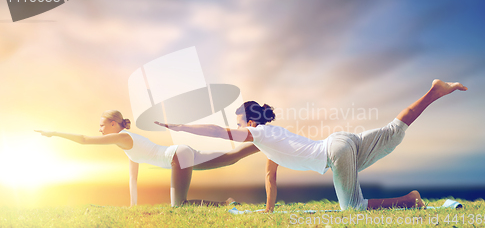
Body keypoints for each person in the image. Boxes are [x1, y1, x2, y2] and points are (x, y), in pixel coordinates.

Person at [155, 79, 468, 212]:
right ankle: (434, 91)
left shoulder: (260, 133)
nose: (237, 129)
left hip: (335, 152)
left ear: (249, 122)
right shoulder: (273, 137)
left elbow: (220, 135)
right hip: (342, 142)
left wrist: (180, 127)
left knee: (353, 209)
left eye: (239, 123)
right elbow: (270, 177)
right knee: (393, 130)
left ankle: (410, 200)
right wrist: (267, 210)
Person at [35, 110, 260, 207]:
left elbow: (84, 139)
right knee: (231, 158)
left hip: (176, 157)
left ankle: (226, 204)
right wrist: (133, 205)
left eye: (102, 125)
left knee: (179, 206)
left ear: (114, 124)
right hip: (180, 152)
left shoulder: (122, 137)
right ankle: (267, 142)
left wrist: (54, 133)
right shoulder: (127, 144)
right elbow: (133, 178)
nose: (100, 129)